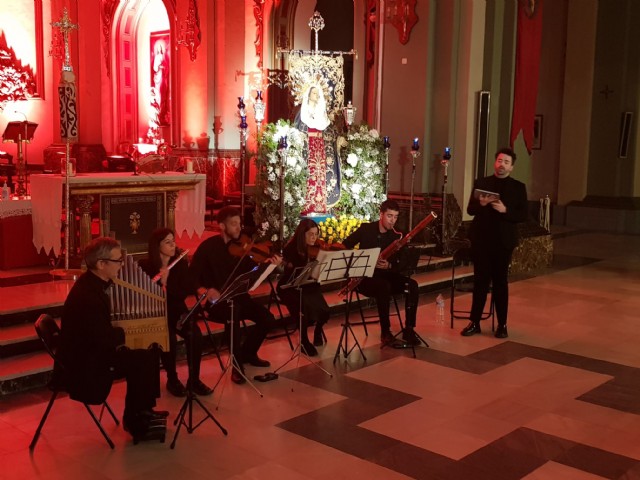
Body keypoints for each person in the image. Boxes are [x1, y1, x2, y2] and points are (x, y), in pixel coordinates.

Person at [57, 237, 166, 439]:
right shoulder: (88, 297)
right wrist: (130, 331)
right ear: (101, 264)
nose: (122, 265)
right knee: (142, 359)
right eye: (118, 261)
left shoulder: (94, 284)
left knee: (149, 353)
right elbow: (103, 340)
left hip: (92, 352)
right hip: (86, 365)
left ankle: (143, 411)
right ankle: (135, 419)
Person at [189, 206, 281, 384]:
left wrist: (267, 265)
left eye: (239, 223)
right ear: (222, 226)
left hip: (238, 297)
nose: (239, 228)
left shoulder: (242, 249)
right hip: (216, 303)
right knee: (234, 312)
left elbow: (251, 271)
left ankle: (248, 353)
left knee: (267, 318)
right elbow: (192, 276)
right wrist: (204, 290)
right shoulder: (207, 248)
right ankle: (237, 367)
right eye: (234, 224)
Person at [461, 147, 528, 339]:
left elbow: (523, 215)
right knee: (480, 282)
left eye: (506, 162)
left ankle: (502, 324)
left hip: (503, 241)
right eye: (499, 161)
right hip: (481, 240)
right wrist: (481, 205)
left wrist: (505, 210)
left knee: (500, 283)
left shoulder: (518, 187)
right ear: (494, 163)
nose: (502, 165)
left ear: (512, 167)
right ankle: (474, 322)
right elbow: (470, 209)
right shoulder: (482, 182)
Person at [138, 228, 212, 397]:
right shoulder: (145, 265)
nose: (174, 245)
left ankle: (194, 380)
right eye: (168, 242)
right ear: (157, 246)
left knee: (195, 334)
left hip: (176, 310)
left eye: (173, 241)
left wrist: (168, 281)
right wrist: (160, 281)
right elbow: (144, 294)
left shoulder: (179, 264)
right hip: (155, 313)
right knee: (168, 338)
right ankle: (172, 379)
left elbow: (182, 292)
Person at [342, 199, 421, 345]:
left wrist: (389, 266)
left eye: (396, 217)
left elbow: (402, 262)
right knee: (383, 287)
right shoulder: (366, 229)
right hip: (365, 278)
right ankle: (385, 332)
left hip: (387, 275)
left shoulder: (397, 235)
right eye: (389, 216)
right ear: (381, 214)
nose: (393, 221)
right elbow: (345, 245)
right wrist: (357, 264)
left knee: (413, 285)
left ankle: (409, 329)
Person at [277, 218, 330, 356]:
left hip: (309, 284)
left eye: (316, 234)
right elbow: (290, 273)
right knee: (302, 308)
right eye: (311, 234)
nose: (314, 238)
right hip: (290, 286)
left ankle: (318, 330)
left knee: (325, 311)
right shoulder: (291, 249)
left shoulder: (315, 247)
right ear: (302, 235)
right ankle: (304, 341)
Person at [295, 84, 338, 215]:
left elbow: (328, 132)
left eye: (318, 93)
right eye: (314, 93)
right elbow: (298, 129)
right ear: (308, 94)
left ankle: (319, 206)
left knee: (320, 174)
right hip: (307, 146)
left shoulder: (321, 112)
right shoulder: (303, 112)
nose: (317, 95)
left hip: (319, 147)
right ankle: (307, 205)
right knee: (308, 174)